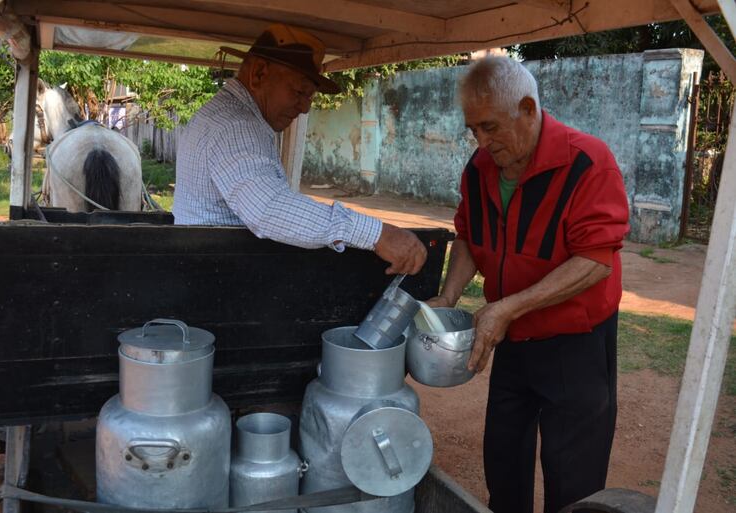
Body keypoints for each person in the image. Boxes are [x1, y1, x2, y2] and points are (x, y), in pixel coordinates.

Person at [427, 56, 629, 513]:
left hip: (576, 344)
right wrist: (449, 294)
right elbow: (469, 236)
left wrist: (505, 308)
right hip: (514, 338)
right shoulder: (479, 169)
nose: (481, 141)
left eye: (491, 127)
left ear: (527, 108)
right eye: (472, 129)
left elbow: (596, 260)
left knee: (573, 476)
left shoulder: (588, 163)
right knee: (504, 459)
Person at [173, 24, 426, 275]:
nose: (305, 107)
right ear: (259, 73)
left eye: (310, 97)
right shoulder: (236, 125)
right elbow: (268, 208)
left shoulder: (224, 115)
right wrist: (375, 234)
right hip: (218, 281)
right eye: (299, 92)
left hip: (208, 274)